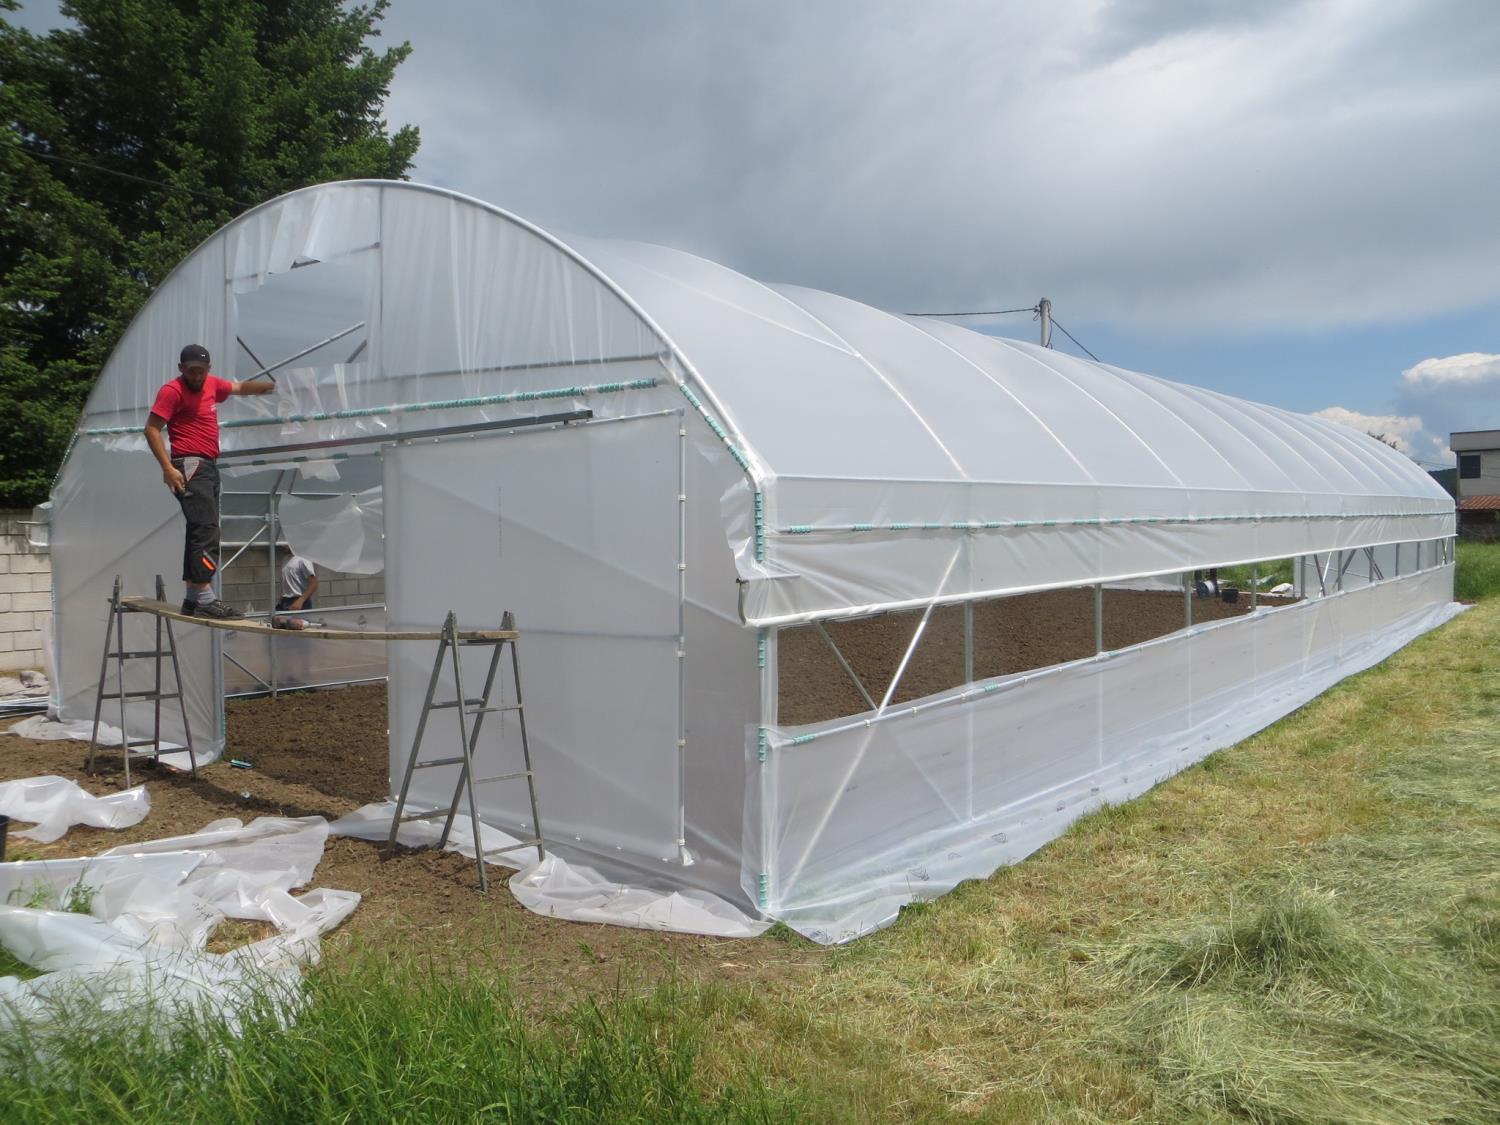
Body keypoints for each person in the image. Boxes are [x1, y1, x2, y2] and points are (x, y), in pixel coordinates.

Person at [144, 344, 275, 618]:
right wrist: (167, 468)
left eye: (201, 371)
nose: (196, 377)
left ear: (209, 369)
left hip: (208, 464)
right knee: (206, 529)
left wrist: (275, 386)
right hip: (189, 464)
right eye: (191, 371)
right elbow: (152, 428)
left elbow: (239, 389)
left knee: (198, 529)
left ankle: (192, 598)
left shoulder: (213, 385)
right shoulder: (172, 391)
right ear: (181, 369)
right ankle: (205, 598)